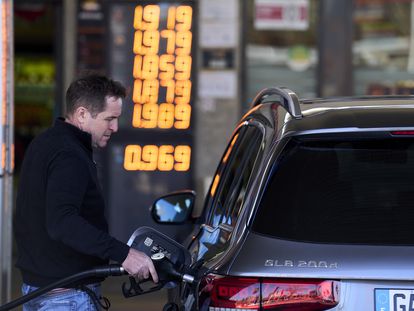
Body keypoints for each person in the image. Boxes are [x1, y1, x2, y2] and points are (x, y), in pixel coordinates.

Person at [14, 74, 158, 310]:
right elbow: (62, 221)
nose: (114, 127)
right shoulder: (69, 155)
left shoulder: (45, 142)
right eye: (109, 119)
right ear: (82, 114)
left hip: (43, 291)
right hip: (65, 298)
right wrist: (125, 254)